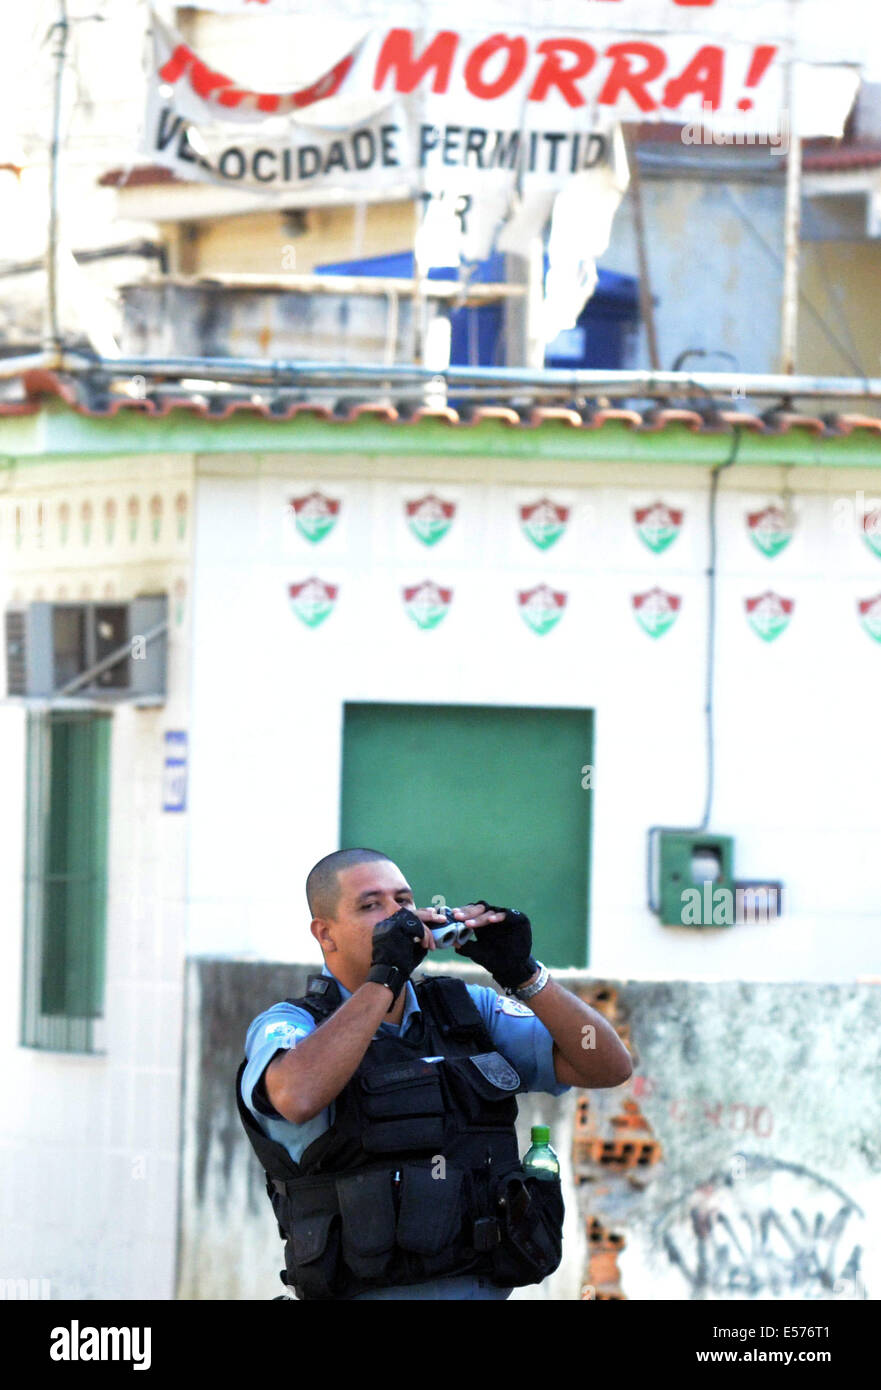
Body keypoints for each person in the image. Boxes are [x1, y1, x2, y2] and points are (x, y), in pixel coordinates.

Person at [236, 847, 633, 1300]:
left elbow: (606, 1065)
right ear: (325, 934)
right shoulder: (291, 1026)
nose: (395, 917)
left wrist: (523, 974)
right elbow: (297, 1096)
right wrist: (383, 980)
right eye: (370, 905)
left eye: (403, 902)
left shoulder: (465, 1009)